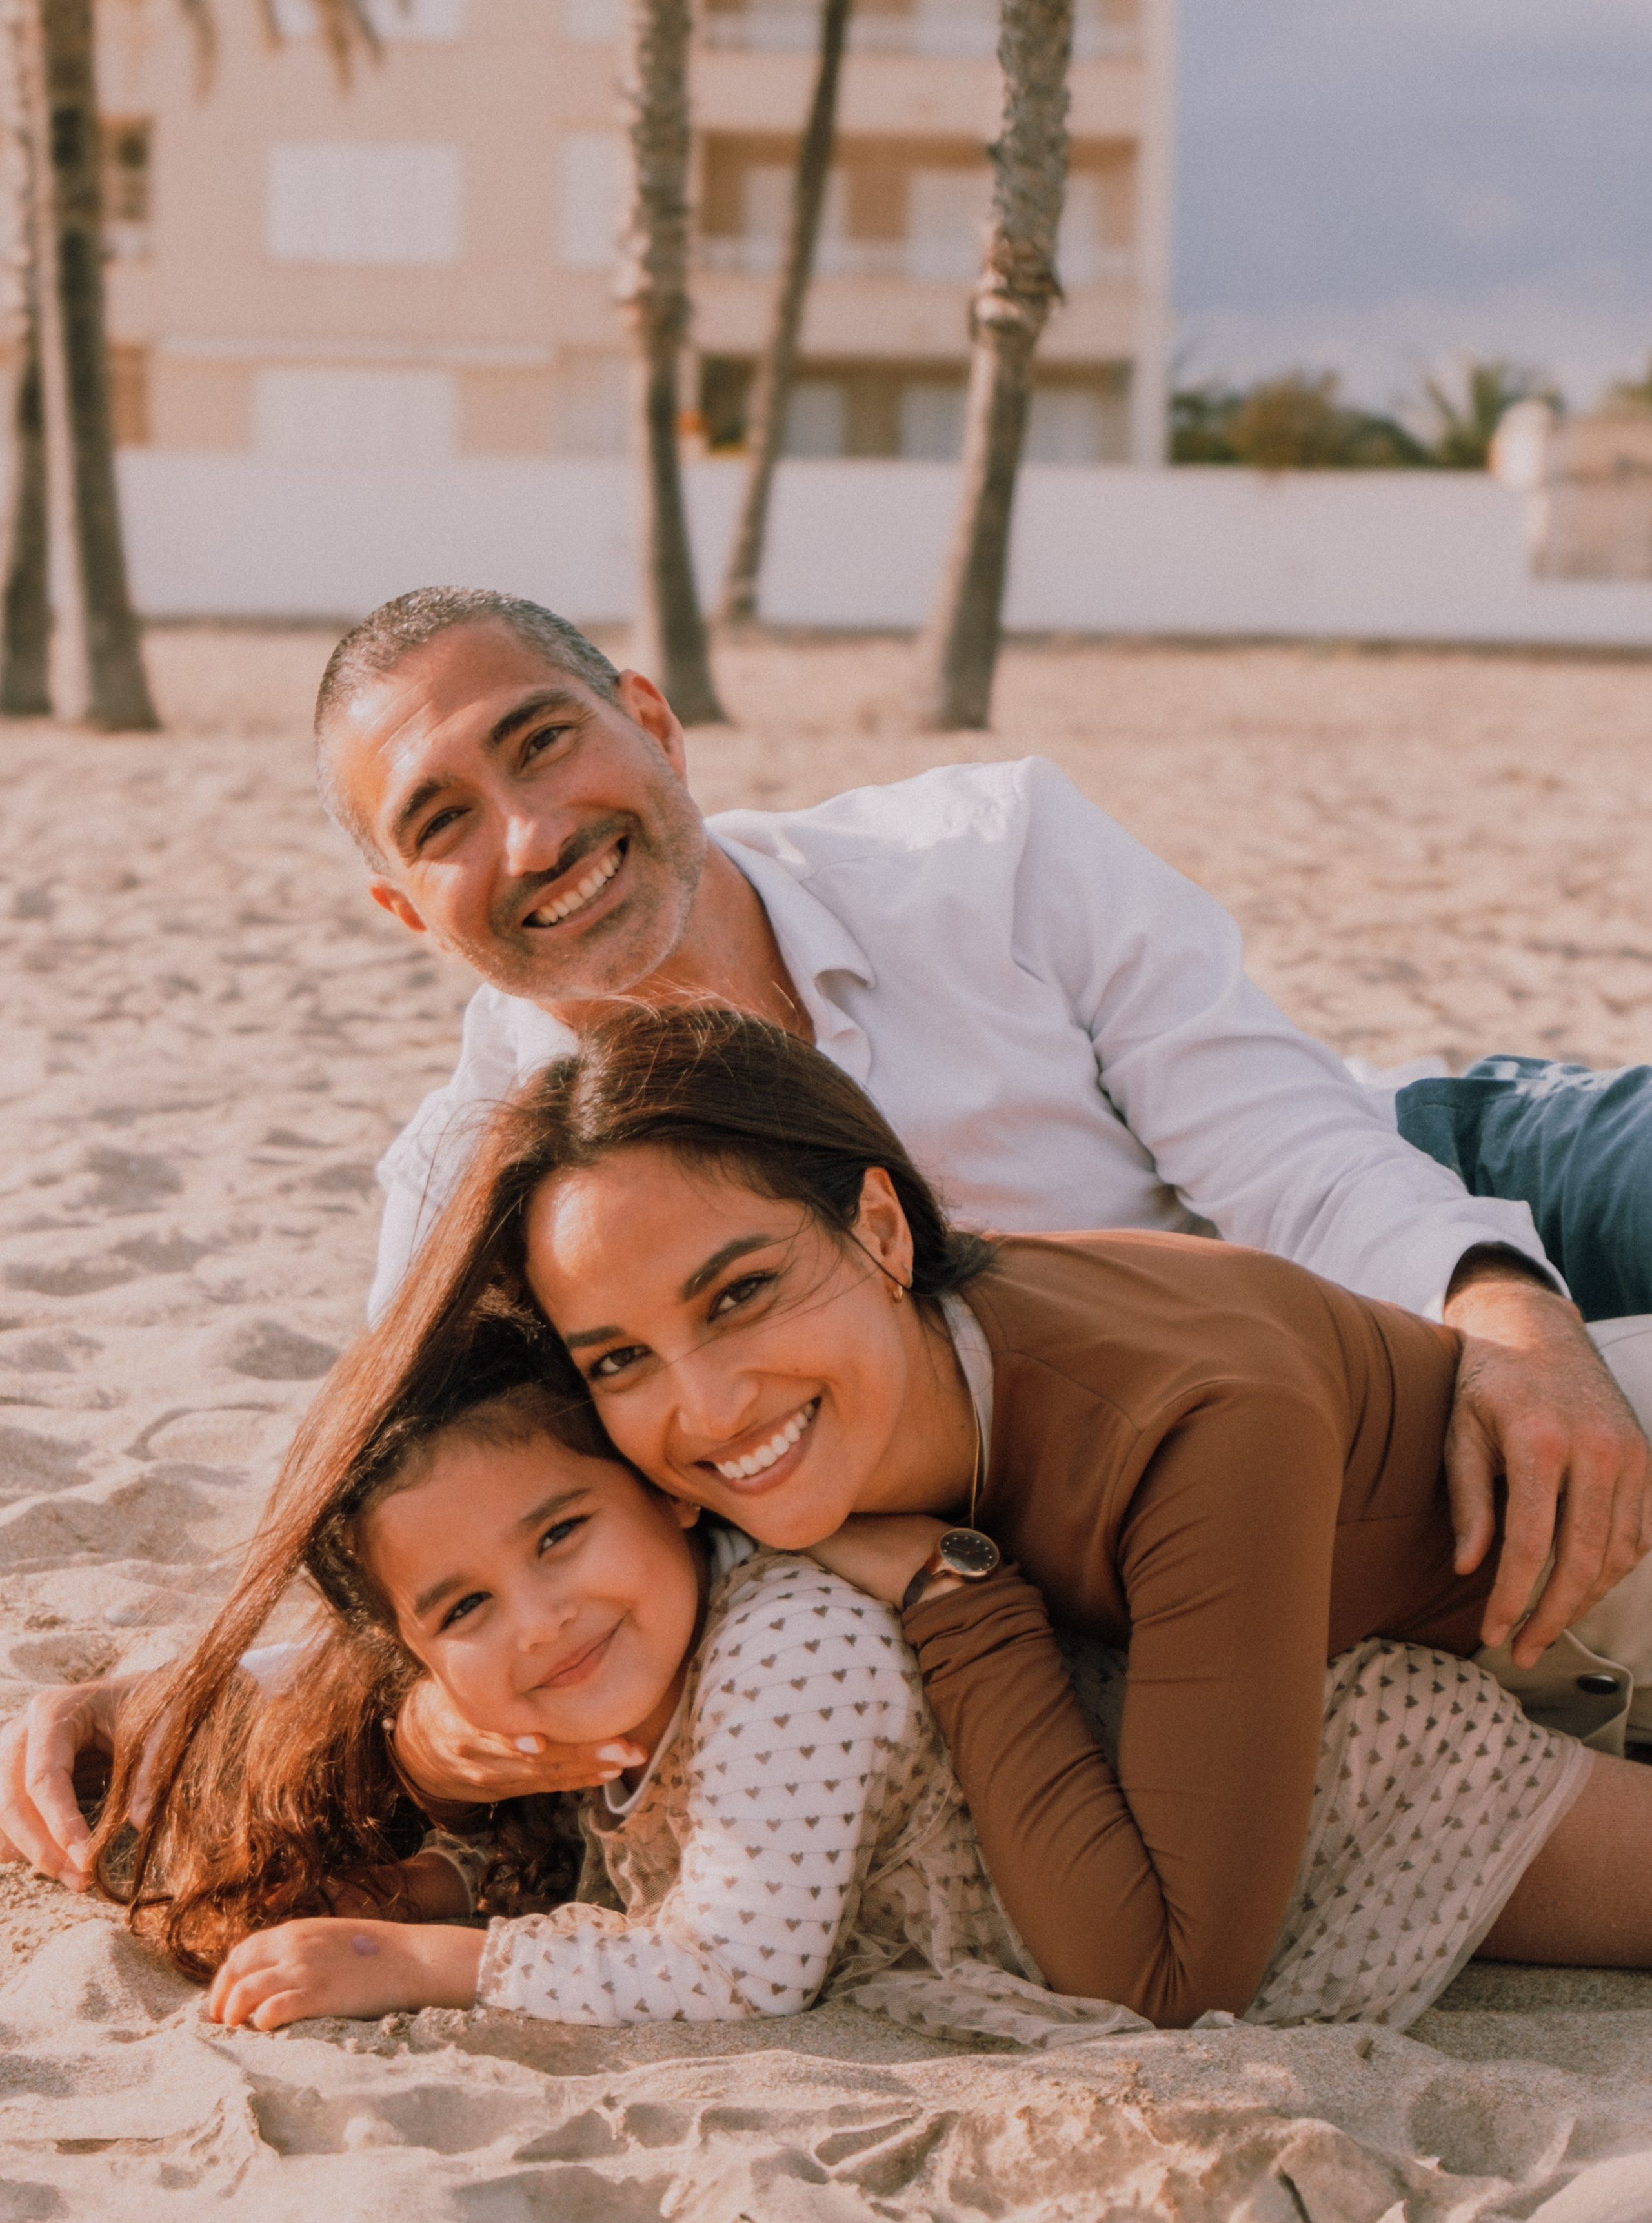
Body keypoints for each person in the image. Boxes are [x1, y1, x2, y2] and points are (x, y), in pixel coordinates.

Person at [5, 587, 1649, 1885]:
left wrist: (1502, 1308)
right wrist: (188, 1687)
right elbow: (431, 1524)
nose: (527, 837)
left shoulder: (987, 851)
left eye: (542, 742)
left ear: (647, 724)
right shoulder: (471, 1189)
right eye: (438, 821)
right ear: (400, 911)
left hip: (1411, 1168)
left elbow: (1283, 1148)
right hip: (1244, 1410)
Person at [190, 1005, 1652, 2033]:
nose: (703, 1409)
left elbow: (1166, 1981)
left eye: (741, 1292)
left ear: (880, 1231)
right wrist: (430, 1744)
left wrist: (954, 1602)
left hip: (1595, 1556)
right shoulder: (727, 1452)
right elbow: (467, 1560)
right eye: (621, 1359)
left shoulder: (1182, 1431)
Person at [114, 1315, 1040, 2036]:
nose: (540, 1620)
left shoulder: (795, 1640)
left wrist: (417, 1960)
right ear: (419, 1665)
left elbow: (740, 1971)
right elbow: (601, 1866)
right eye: (465, 1609)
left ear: (667, 1490)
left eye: (560, 1535)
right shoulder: (607, 1675)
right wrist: (443, 1883)